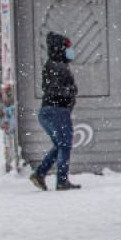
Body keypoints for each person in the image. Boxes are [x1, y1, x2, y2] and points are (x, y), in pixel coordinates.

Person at [29, 32, 80, 191]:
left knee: (60, 145)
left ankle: (40, 173)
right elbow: (56, 90)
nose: (70, 52)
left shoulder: (52, 65)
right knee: (64, 145)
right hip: (58, 111)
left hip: (48, 111)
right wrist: (71, 91)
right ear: (61, 49)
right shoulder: (57, 66)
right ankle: (61, 181)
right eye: (67, 48)